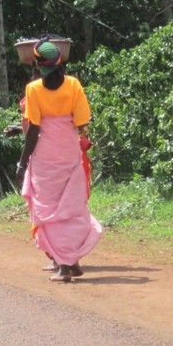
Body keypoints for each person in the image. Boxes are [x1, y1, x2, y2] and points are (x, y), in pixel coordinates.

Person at [17, 40, 102, 283]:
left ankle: (63, 266)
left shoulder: (32, 89)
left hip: (44, 153)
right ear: (59, 63)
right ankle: (72, 260)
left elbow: (33, 130)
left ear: (37, 64)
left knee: (48, 207)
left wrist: (22, 164)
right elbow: (81, 122)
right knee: (70, 205)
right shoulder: (74, 84)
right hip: (68, 149)